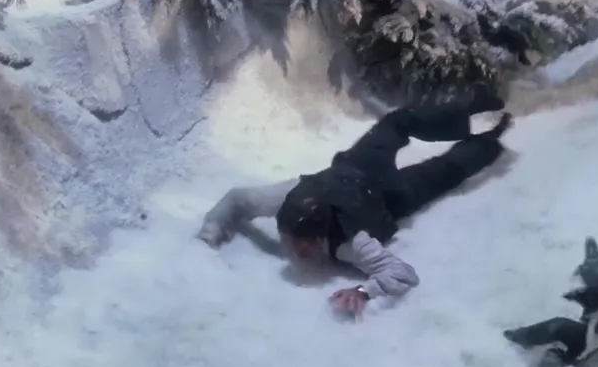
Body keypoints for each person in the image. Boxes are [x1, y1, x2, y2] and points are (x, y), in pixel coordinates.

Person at [196, 91, 513, 317]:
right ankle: (493, 137)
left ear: (321, 236)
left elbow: (403, 273)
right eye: (291, 237)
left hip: (375, 181)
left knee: (399, 121)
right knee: (444, 172)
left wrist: (363, 291)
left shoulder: (351, 243)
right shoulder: (287, 197)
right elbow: (237, 198)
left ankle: (468, 106)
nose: (297, 249)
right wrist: (210, 234)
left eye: (305, 243)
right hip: (374, 183)